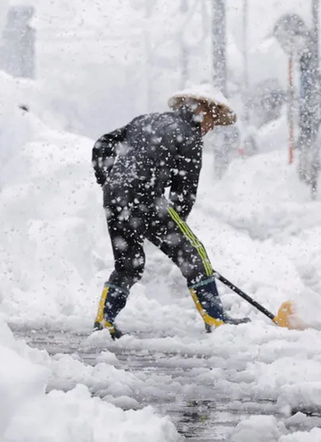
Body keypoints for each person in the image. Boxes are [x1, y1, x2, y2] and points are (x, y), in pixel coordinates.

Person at [91, 84, 249, 339]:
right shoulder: (189, 135)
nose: (210, 129)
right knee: (194, 254)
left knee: (129, 264)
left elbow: (102, 144)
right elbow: (184, 193)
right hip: (146, 198)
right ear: (203, 111)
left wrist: (108, 181)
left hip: (115, 197)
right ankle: (216, 319)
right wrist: (176, 233)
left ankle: (104, 319)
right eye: (212, 122)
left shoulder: (145, 120)